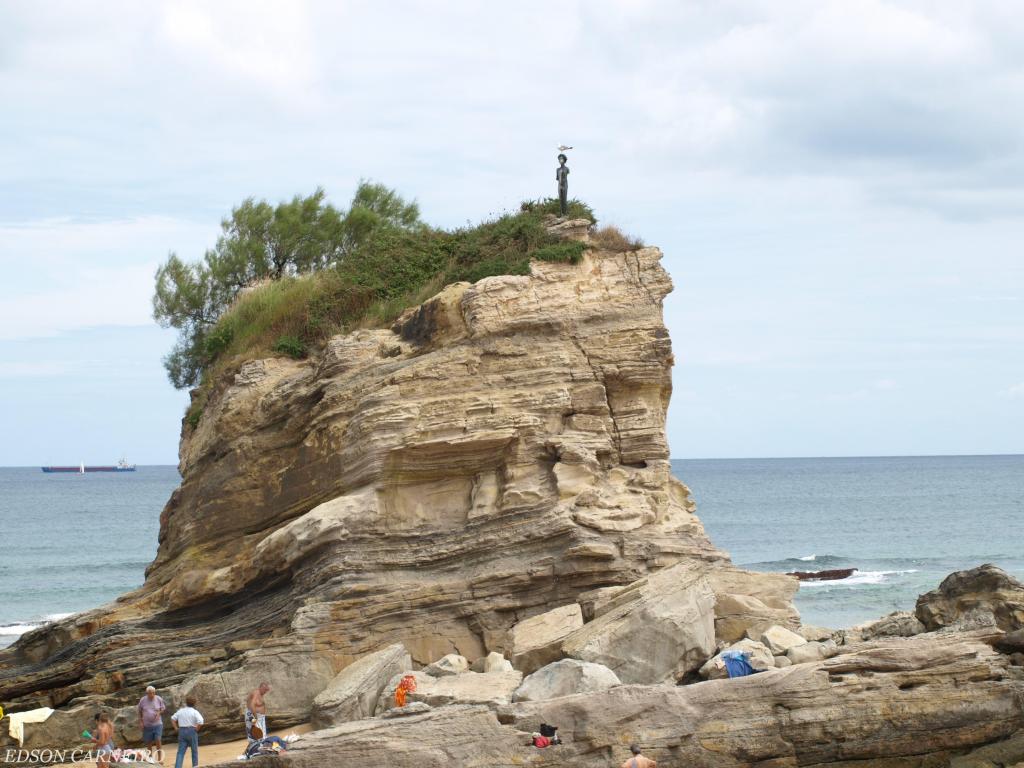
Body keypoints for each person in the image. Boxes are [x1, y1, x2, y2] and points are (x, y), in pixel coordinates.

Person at [170, 696, 204, 768]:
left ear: (186, 702)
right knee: (194, 751)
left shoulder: (181, 711)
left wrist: (176, 728)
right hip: (191, 730)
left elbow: (172, 719)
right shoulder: (194, 712)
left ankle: (178, 767)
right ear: (194, 703)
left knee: (180, 752)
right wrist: (197, 729)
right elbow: (201, 721)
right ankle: (195, 766)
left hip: (182, 730)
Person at [137, 685, 166, 760]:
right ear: (147, 693)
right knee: (148, 742)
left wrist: (159, 713)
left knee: (158, 740)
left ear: (154, 692)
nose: (151, 695)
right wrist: (141, 722)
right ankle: (150, 759)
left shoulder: (159, 699)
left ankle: (160, 759)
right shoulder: (143, 700)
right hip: (147, 725)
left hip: (158, 724)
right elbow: (139, 711)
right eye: (149, 693)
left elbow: (163, 708)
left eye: (153, 693)